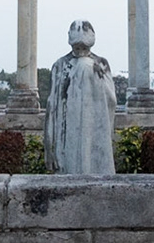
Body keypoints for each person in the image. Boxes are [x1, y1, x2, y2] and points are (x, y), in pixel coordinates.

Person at [43, 20, 117, 174]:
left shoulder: (100, 64)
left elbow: (110, 101)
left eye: (84, 47)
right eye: (77, 47)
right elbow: (52, 106)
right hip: (67, 131)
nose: (80, 50)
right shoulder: (60, 65)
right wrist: (49, 145)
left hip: (93, 130)